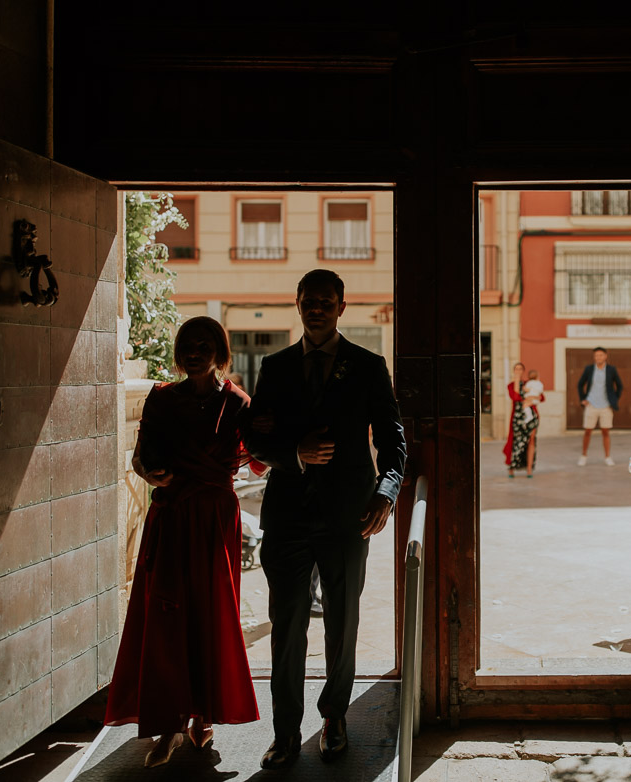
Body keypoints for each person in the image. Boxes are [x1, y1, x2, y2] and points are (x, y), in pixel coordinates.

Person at [247, 269, 406, 769]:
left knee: (342, 622)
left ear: (341, 306)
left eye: (325, 301)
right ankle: (285, 734)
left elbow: (393, 440)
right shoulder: (274, 368)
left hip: (347, 517)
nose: (316, 308)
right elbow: (255, 441)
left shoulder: (367, 366)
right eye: (308, 300)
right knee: (287, 627)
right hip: (288, 518)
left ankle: (334, 717)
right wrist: (294, 451)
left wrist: (386, 492)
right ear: (297, 305)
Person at [103, 316, 260, 768]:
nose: (193, 352)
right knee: (165, 616)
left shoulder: (238, 404)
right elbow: (139, 455)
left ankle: (203, 716)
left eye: (203, 345)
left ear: (218, 351)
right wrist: (146, 471)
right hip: (170, 519)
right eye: (186, 345)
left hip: (213, 519)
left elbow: (258, 459)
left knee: (210, 615)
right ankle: (169, 723)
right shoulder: (161, 399)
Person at [576, 347, 624, 466]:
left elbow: (619, 385)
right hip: (591, 405)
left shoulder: (611, 370)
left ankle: (607, 457)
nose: (598, 357)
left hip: (606, 406)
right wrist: (583, 399)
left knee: (605, 432)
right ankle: (583, 456)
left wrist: (614, 399)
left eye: (601, 355)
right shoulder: (589, 369)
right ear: (594, 357)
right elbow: (580, 384)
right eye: (596, 356)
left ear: (605, 356)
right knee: (587, 431)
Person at [502, 362, 543, 478]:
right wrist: (517, 380)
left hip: (531, 416)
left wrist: (533, 398)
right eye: (516, 369)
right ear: (514, 371)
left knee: (531, 441)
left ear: (523, 370)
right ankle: (512, 468)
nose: (518, 371)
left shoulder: (529, 384)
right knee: (515, 441)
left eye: (520, 369)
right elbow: (515, 397)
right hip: (517, 417)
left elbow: (541, 396)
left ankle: (529, 468)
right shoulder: (511, 385)